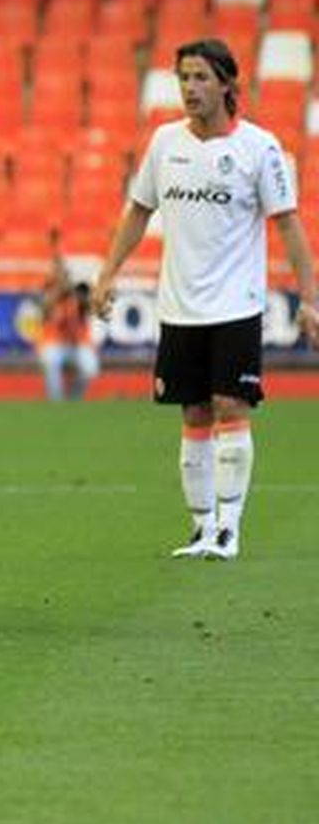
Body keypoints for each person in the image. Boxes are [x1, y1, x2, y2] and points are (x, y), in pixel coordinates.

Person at [93, 38, 319, 560]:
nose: (190, 88)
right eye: (184, 78)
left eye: (200, 78)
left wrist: (309, 299)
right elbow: (138, 211)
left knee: (229, 405)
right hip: (179, 306)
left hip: (237, 304)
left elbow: (288, 225)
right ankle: (201, 527)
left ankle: (229, 528)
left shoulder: (259, 148)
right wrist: (107, 274)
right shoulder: (164, 142)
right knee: (193, 412)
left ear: (226, 84)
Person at [38, 275, 100, 401]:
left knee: (90, 366)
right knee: (51, 360)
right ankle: (56, 401)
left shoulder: (76, 302)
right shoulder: (51, 302)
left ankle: (74, 399)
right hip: (54, 344)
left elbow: (88, 304)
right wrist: (58, 294)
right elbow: (46, 310)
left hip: (75, 346)